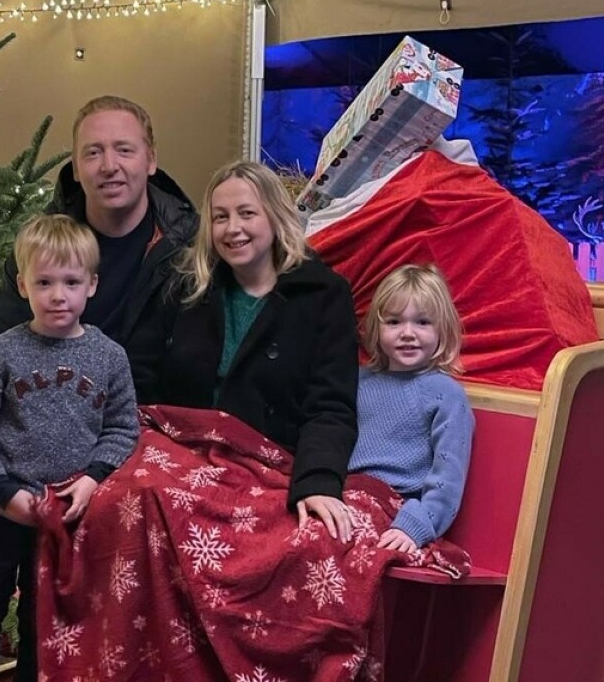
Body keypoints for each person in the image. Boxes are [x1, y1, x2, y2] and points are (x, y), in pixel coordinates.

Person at [0, 95, 199, 570]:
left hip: (136, 425)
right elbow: (3, 357)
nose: (109, 166)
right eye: (93, 152)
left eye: (124, 150)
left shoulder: (187, 248)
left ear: (151, 160)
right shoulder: (42, 245)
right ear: (75, 167)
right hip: (31, 421)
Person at [128, 160, 359, 540]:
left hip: (270, 465)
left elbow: (331, 407)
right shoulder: (184, 287)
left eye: (246, 213)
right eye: (220, 217)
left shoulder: (323, 295)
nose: (232, 228)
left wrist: (317, 480)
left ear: (274, 217)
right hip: (179, 456)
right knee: (120, 509)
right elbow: (140, 378)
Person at [0, 214, 140, 682]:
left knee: (43, 624)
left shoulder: (110, 357)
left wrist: (92, 478)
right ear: (22, 285)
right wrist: (0, 489)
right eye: (44, 281)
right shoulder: (2, 352)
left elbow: (122, 428)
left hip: (62, 517)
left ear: (91, 285)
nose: (58, 294)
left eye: (71, 281)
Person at [348, 263, 475, 551]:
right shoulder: (357, 381)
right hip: (345, 494)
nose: (407, 333)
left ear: (443, 329)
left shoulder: (446, 394)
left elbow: (448, 475)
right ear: (375, 328)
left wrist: (419, 523)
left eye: (422, 322)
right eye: (393, 322)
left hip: (395, 509)